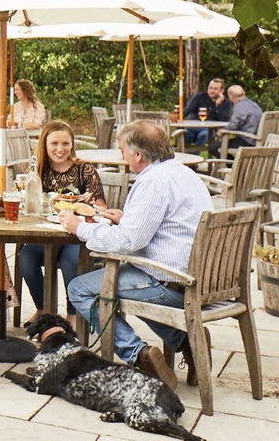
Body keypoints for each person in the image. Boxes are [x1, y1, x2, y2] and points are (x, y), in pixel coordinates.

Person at [64, 120, 212, 391]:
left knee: (81, 290)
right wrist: (126, 218)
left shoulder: (152, 183)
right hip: (198, 278)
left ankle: (139, 355)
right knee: (125, 286)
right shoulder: (185, 174)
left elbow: (128, 241)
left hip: (172, 282)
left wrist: (80, 227)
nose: (122, 155)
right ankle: (185, 341)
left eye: (123, 150)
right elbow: (165, 223)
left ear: (138, 155)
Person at [18, 121, 105, 325]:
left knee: (71, 260)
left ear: (72, 144)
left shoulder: (84, 169)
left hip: (76, 236)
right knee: (26, 256)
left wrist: (87, 203)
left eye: (65, 143)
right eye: (54, 143)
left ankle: (72, 316)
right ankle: (43, 311)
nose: (60, 149)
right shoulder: (37, 170)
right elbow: (27, 201)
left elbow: (101, 206)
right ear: (44, 145)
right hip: (45, 234)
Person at [208, 85, 262, 159]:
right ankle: (237, 166)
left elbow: (233, 126)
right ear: (244, 93)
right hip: (257, 140)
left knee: (213, 148)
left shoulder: (240, 106)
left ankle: (235, 167)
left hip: (247, 141)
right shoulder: (254, 104)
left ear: (231, 96)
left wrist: (222, 131)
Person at [182, 77, 231, 146]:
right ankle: (186, 155)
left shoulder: (225, 102)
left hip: (208, 129)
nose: (212, 91)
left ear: (222, 91)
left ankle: (193, 155)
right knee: (184, 134)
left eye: (215, 89)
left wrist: (218, 105)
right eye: (210, 88)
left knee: (203, 136)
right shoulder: (199, 97)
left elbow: (224, 120)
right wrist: (177, 116)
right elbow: (186, 111)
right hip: (192, 126)